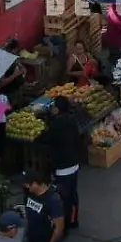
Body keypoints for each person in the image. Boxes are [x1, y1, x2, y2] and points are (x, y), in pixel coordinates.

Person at [21, 171, 66, 242]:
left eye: (28, 184)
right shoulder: (28, 194)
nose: (25, 186)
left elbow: (59, 228)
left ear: (36, 183)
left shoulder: (53, 200)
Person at [44, 98, 80, 232]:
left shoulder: (55, 125)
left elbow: (48, 140)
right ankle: (73, 220)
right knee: (73, 195)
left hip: (63, 168)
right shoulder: (72, 120)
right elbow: (77, 140)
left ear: (57, 109)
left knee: (64, 199)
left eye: (53, 106)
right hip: (74, 164)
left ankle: (64, 226)